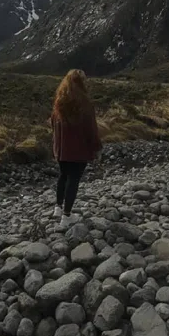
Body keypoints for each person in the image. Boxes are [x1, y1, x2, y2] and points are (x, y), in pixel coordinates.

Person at [51, 69, 102, 229]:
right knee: (74, 179)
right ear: (82, 83)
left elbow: (52, 122)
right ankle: (67, 216)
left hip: (61, 149)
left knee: (63, 176)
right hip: (78, 149)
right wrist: (97, 147)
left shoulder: (60, 101)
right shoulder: (85, 103)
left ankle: (58, 208)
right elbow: (91, 129)